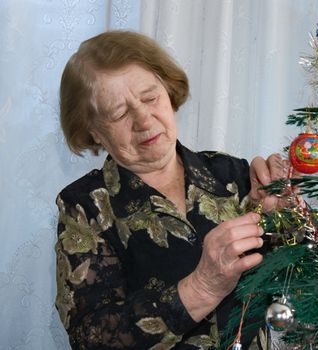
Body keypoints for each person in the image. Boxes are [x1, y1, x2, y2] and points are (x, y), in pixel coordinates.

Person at [54, 30, 286, 349]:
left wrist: (288, 215)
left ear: (168, 91)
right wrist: (202, 286)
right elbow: (91, 338)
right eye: (119, 114)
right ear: (94, 131)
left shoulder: (231, 175)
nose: (144, 120)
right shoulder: (84, 207)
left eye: (151, 98)